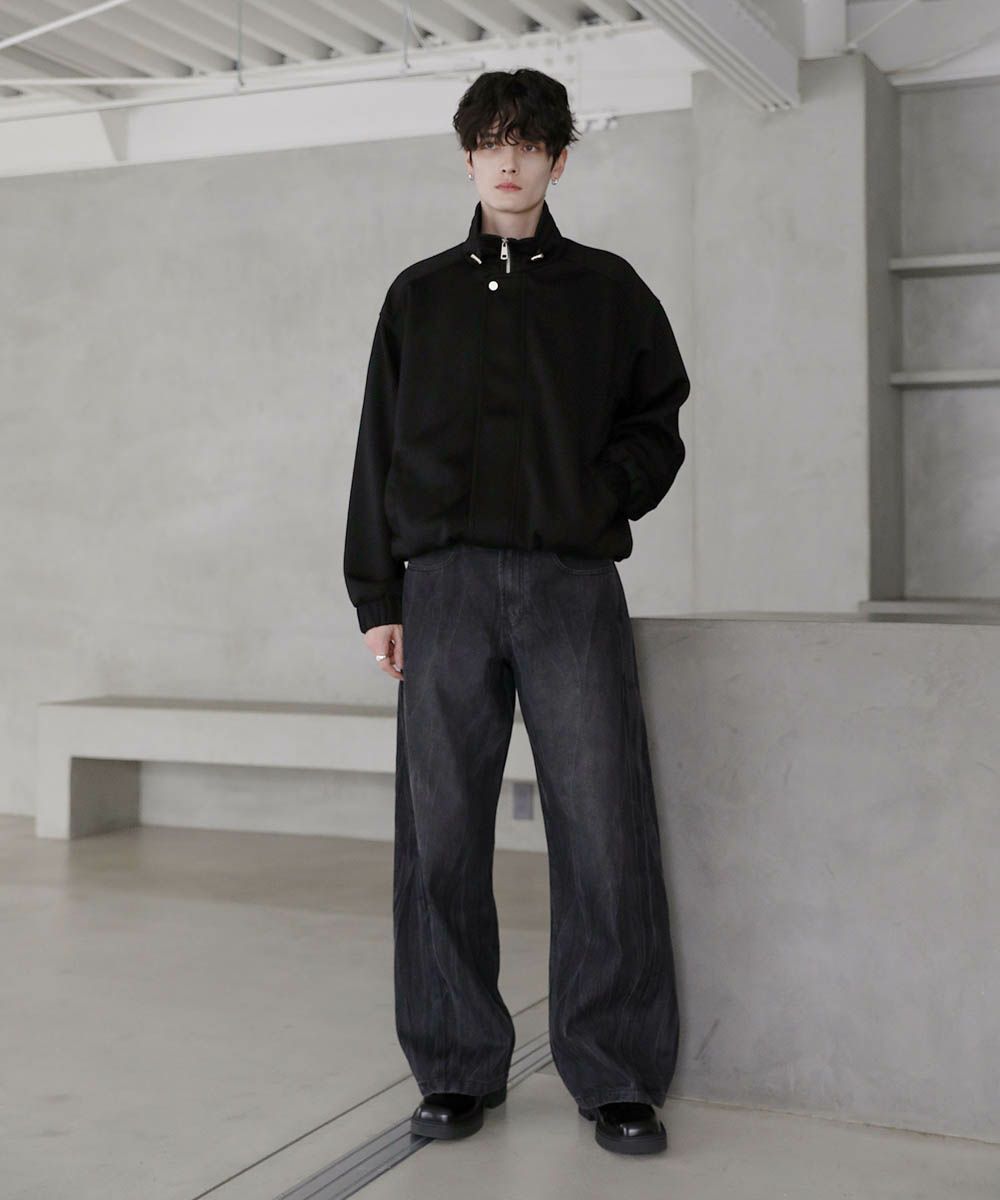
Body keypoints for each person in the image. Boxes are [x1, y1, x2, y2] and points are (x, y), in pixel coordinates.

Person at [344, 67, 690, 1157]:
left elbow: (658, 420)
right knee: (440, 836)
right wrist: (377, 593)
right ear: (466, 158)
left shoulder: (609, 291)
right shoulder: (419, 297)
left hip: (567, 587)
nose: (508, 160)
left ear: (557, 160)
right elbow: (375, 447)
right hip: (442, 592)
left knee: (603, 829)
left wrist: (596, 497)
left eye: (528, 143)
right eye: (491, 143)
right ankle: (455, 1066)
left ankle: (616, 1072)